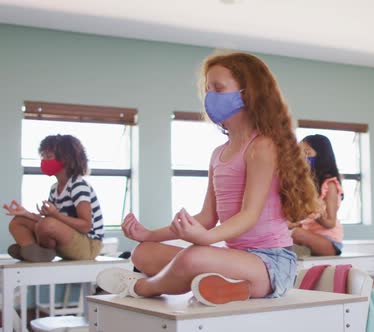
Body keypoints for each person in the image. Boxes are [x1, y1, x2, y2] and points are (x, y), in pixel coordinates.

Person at [96, 52, 319, 305]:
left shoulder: (262, 147)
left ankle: (142, 287)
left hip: (271, 264)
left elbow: (250, 214)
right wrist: (149, 235)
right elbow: (207, 217)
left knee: (193, 258)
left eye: (219, 88)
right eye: (208, 89)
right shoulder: (218, 154)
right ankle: (230, 287)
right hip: (233, 258)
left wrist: (205, 239)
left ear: (248, 94)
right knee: (143, 253)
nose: (210, 96)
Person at [3, 134, 104, 262]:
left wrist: (55, 214)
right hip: (66, 239)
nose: (44, 161)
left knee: (47, 224)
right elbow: (50, 221)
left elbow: (86, 226)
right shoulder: (54, 188)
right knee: (18, 221)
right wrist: (25, 213)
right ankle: (32, 250)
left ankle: (37, 251)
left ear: (66, 159)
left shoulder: (78, 186)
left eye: (48, 156)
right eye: (43, 156)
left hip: (88, 245)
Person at [290, 134, 344, 256]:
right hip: (310, 236)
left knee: (296, 233)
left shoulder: (329, 184)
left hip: (330, 243)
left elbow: (330, 223)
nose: (303, 158)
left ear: (321, 156)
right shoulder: (307, 184)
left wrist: (314, 210)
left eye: (307, 153)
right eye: (300, 153)